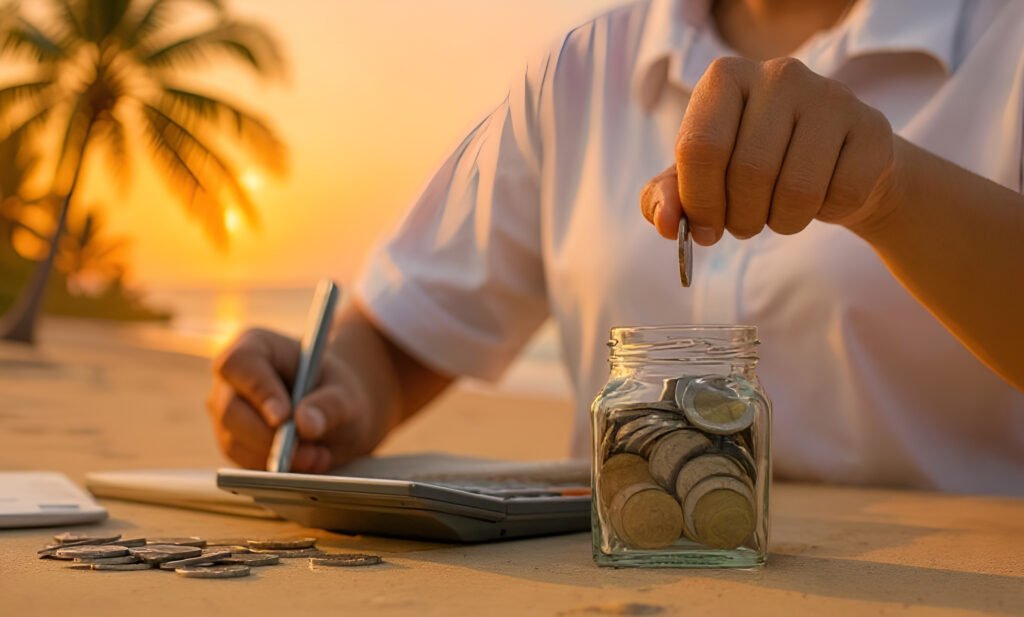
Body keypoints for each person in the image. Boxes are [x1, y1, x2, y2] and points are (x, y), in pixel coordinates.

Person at [206, 0, 1024, 495]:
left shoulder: (1007, 46)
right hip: (628, 575)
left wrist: (892, 192)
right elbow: (396, 337)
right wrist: (328, 391)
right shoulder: (580, 72)